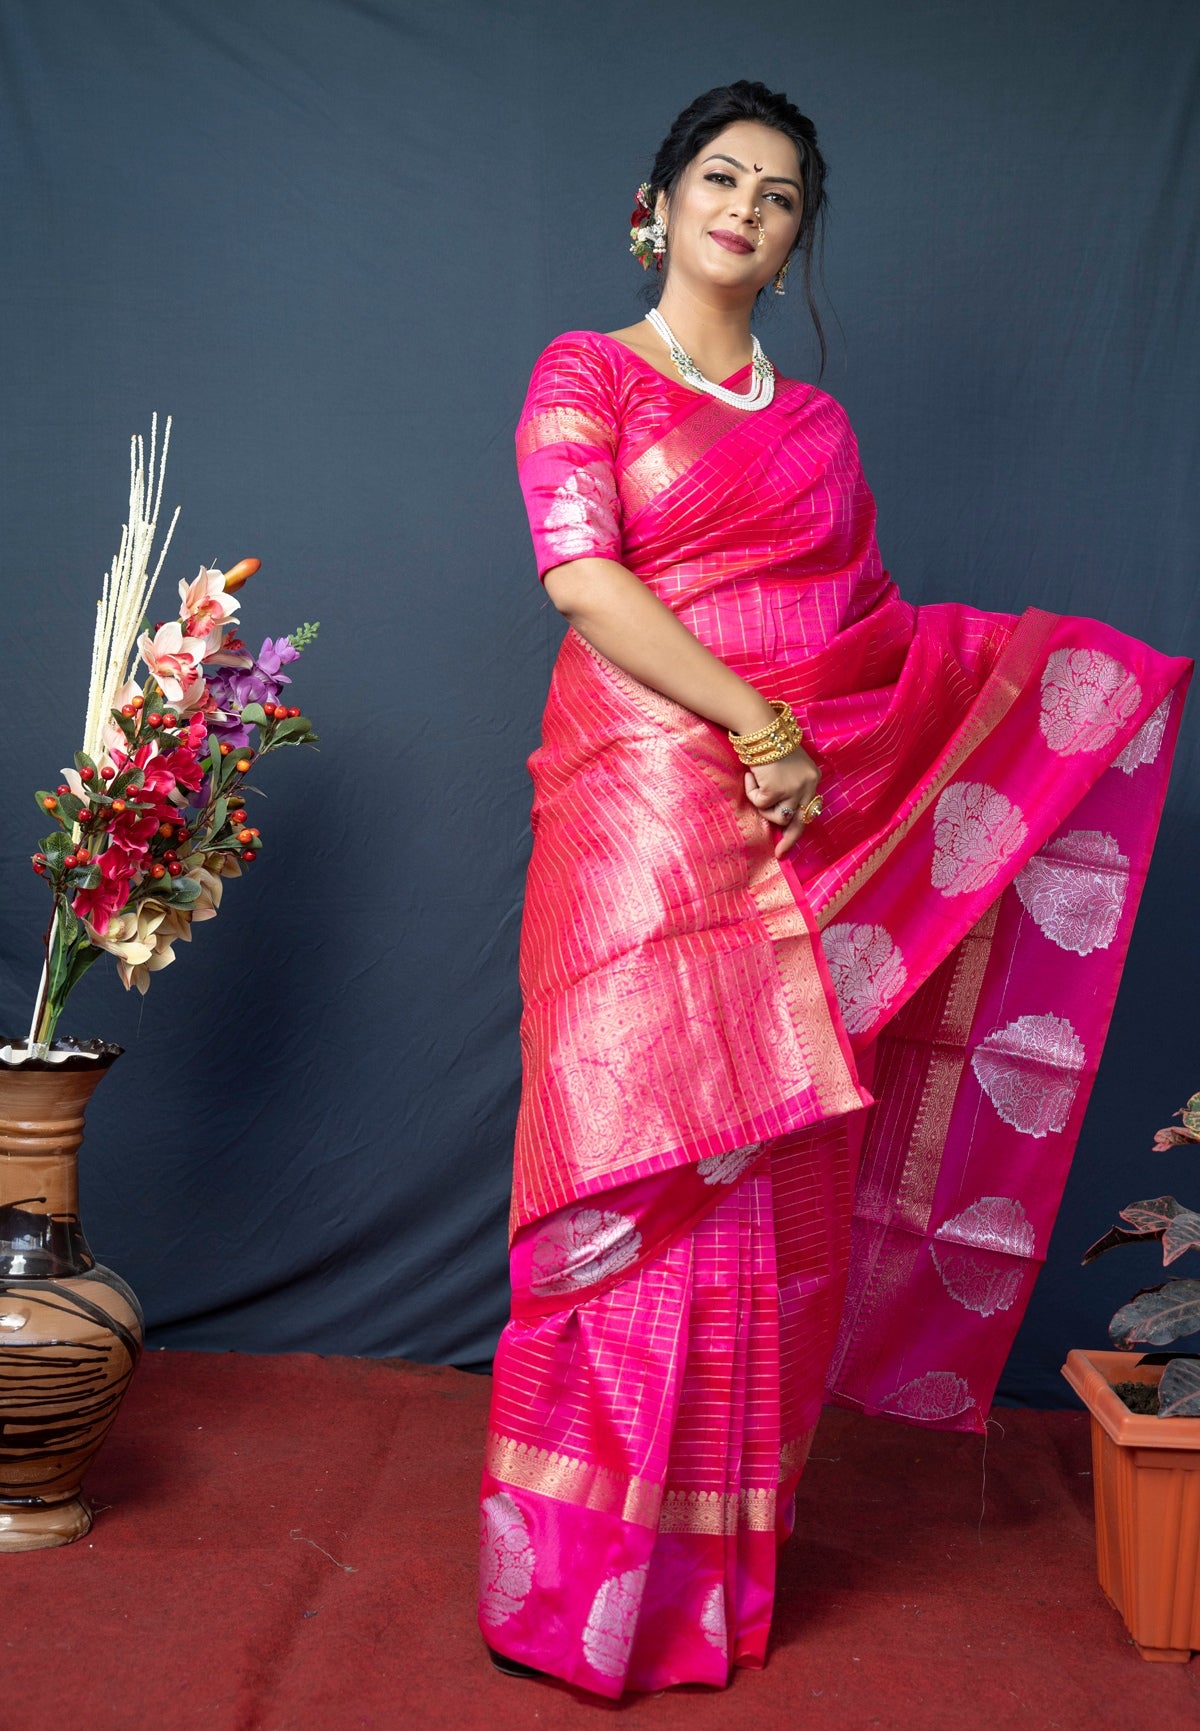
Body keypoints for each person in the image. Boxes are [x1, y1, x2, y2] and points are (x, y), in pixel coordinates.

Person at [477, 80, 1191, 1697]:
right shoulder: (585, 373)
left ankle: (704, 1586)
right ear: (652, 205)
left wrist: (1027, 700)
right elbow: (584, 577)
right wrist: (757, 725)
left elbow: (868, 634)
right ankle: (574, 1591)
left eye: (780, 194)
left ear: (798, 241)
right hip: (640, 809)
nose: (745, 207)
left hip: (802, 834)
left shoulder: (814, 431)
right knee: (633, 1162)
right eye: (718, 178)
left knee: (764, 1177)